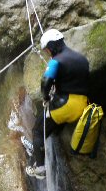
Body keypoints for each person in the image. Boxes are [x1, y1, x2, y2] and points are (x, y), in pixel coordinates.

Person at [25, 29, 90, 179]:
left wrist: (46, 97)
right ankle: (36, 147)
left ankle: (40, 169)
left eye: (47, 50)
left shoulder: (56, 61)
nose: (48, 53)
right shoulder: (82, 59)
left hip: (66, 104)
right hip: (82, 105)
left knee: (37, 131)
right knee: (51, 126)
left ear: (52, 46)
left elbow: (45, 81)